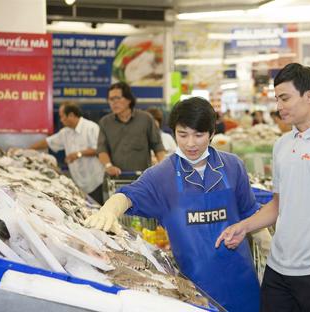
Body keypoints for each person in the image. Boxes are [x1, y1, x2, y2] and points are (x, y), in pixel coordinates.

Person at [85, 97, 266, 312]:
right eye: (183, 134)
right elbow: (128, 195)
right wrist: (109, 210)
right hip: (195, 291)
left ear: (211, 133)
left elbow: (251, 214)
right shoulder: (162, 175)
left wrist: (271, 253)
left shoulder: (232, 166)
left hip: (242, 284)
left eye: (199, 135)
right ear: (173, 133)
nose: (190, 143)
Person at [216, 63, 310, 312]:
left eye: (285, 98)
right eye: (277, 99)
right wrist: (243, 227)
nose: (279, 107)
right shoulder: (282, 145)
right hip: (277, 269)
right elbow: (277, 204)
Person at [30, 101, 105, 204]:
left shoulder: (91, 128)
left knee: (98, 211)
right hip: (78, 184)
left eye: (62, 116)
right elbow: (48, 142)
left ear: (71, 115)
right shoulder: (66, 132)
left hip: (95, 182)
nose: (61, 120)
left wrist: (78, 154)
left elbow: (99, 149)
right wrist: (27, 150)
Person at [97, 82, 165, 176]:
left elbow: (158, 146)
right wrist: (109, 166)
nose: (114, 102)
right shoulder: (105, 122)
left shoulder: (146, 119)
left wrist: (162, 167)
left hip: (143, 178)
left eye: (117, 98)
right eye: (111, 99)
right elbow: (101, 150)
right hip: (116, 178)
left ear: (128, 99)